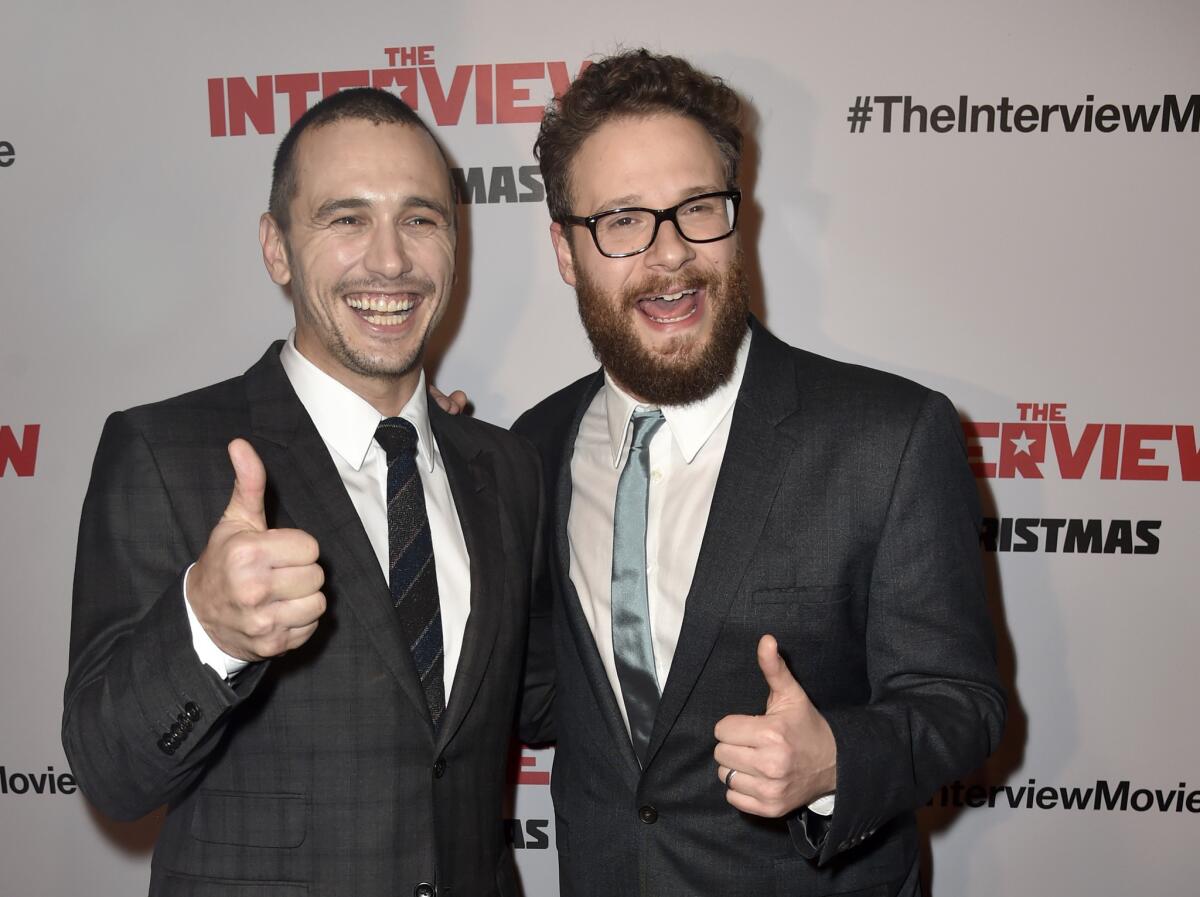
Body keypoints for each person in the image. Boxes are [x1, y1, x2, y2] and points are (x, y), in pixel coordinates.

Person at [511, 50, 1006, 896]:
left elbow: (961, 702)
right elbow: (546, 695)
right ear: (565, 248)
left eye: (697, 208)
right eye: (623, 220)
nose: (670, 255)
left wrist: (835, 763)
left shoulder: (885, 435)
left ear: (737, 218)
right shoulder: (536, 443)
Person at [62, 87, 546, 897]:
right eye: (346, 219)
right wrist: (207, 630)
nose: (390, 260)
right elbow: (112, 773)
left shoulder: (506, 468)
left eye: (421, 219)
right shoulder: (165, 451)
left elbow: (540, 700)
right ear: (278, 247)